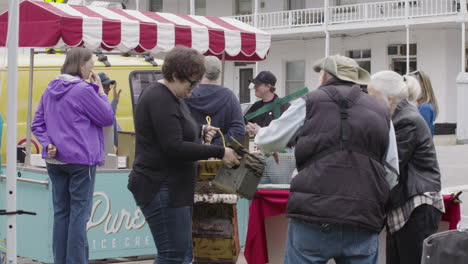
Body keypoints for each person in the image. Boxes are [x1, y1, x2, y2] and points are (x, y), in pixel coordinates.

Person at [254, 55, 398, 264]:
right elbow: (392, 171)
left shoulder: (309, 101)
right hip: (363, 214)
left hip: (314, 214)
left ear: (324, 76)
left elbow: (268, 141)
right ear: (356, 78)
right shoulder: (381, 111)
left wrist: (260, 135)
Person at [127, 46, 241, 264]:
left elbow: (175, 127)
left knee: (179, 253)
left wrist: (200, 130)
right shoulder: (159, 97)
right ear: (176, 76)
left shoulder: (172, 95)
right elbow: (174, 147)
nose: (196, 87)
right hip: (159, 185)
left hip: (172, 186)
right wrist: (219, 150)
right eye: (192, 82)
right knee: (172, 254)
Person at [31, 47, 115, 264]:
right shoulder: (84, 90)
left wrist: (47, 143)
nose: (92, 70)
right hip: (81, 159)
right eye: (91, 66)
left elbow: (37, 123)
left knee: (61, 213)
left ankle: (61, 260)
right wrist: (101, 93)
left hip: (55, 159)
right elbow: (107, 117)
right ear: (81, 65)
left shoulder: (51, 87)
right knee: (79, 215)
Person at [368, 71, 443, 264]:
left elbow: (390, 165)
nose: (369, 103)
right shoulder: (399, 117)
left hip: (416, 205)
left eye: (372, 97)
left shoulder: (406, 120)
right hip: (406, 204)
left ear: (390, 98)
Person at [184, 56, 245, 146]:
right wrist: (216, 146)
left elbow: (178, 126)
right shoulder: (229, 96)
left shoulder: (186, 94)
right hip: (220, 156)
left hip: (191, 153)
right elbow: (239, 130)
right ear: (219, 73)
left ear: (199, 71)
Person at [244, 70, 289, 137]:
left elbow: (286, 133)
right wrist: (246, 127)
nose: (254, 87)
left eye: (258, 85)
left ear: (268, 86)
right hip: (256, 146)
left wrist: (260, 131)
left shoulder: (284, 107)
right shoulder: (256, 106)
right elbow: (242, 122)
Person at [410, 70, 438, 136]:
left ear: (422, 85)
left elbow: (421, 135)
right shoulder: (426, 106)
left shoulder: (424, 108)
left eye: (412, 83)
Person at [98, 72, 122, 147]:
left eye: (109, 86)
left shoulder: (105, 101)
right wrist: (114, 102)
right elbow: (108, 118)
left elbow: (114, 125)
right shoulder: (94, 102)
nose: (108, 89)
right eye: (105, 86)